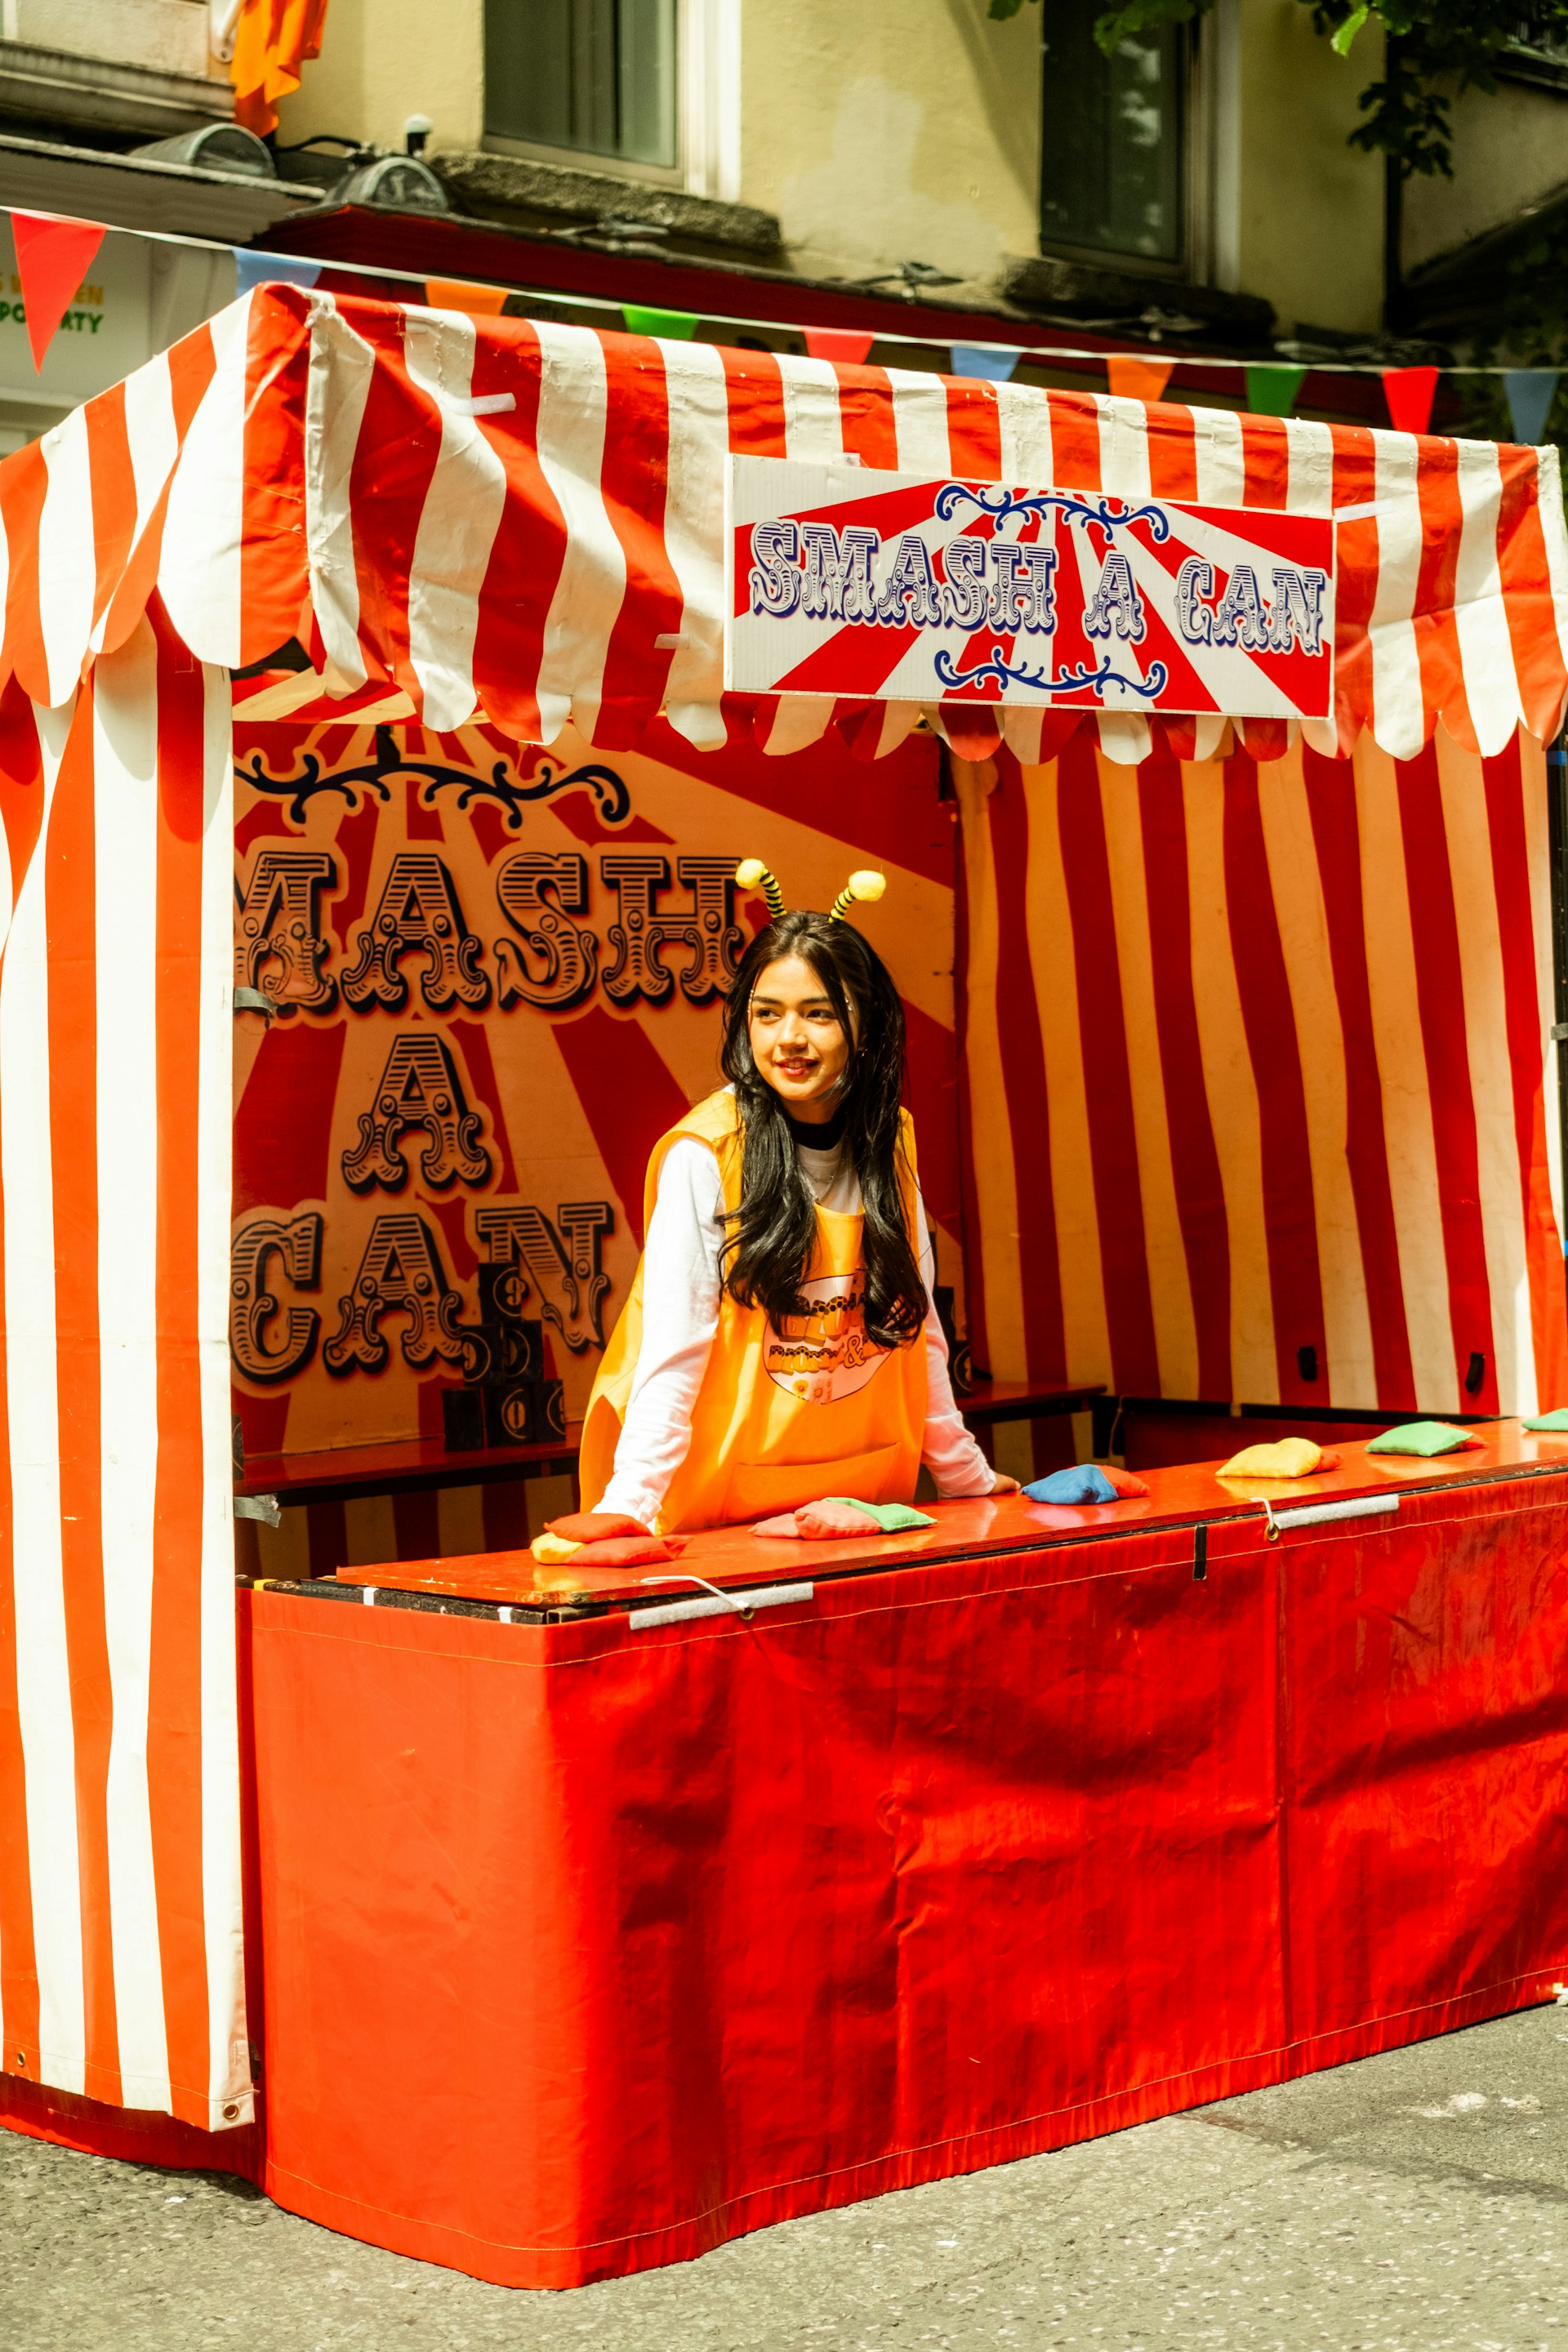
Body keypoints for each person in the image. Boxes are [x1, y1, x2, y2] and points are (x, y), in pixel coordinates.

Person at [578, 862, 1015, 1534]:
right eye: (767, 1014)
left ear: (865, 1027)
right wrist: (628, 1508)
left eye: (818, 1014)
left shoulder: (889, 1138)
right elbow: (675, 1344)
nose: (789, 1039)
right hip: (725, 1519)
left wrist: (967, 1479)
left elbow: (917, 1327)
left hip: (863, 1504)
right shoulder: (707, 1153)